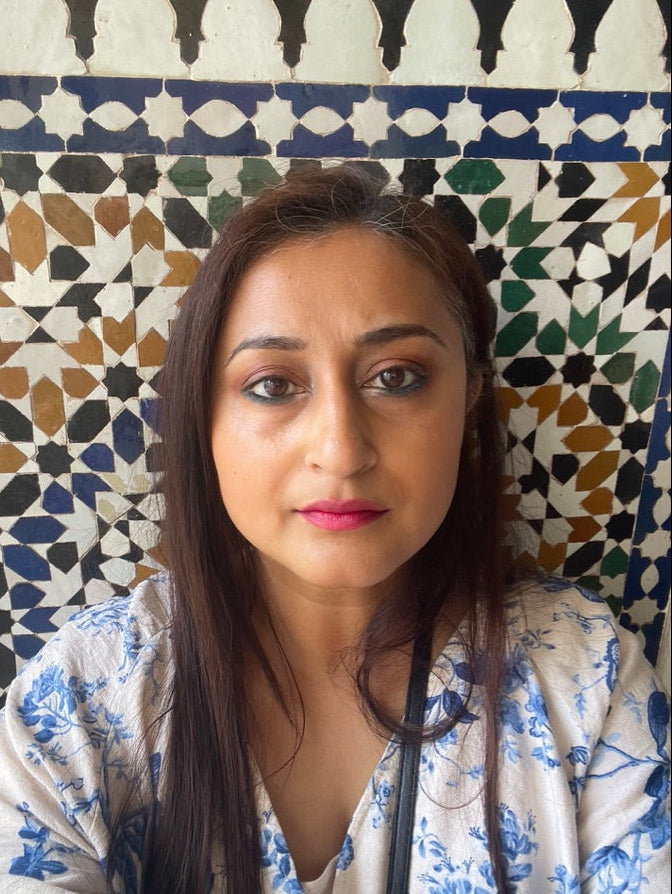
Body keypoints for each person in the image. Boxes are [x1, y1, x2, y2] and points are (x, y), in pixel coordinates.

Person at [0, 165, 669, 894]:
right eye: (272, 385)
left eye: (397, 376)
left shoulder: (587, 681)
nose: (342, 450)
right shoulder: (79, 703)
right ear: (203, 418)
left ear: (472, 397)